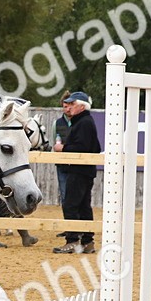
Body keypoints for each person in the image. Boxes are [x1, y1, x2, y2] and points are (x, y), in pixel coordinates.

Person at [52, 91, 100, 254]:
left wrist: (63, 148)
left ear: (81, 106)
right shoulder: (84, 121)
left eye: (72, 104)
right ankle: (87, 241)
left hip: (79, 170)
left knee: (71, 205)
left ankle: (72, 241)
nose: (69, 108)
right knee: (83, 206)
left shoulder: (83, 123)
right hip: (84, 170)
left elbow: (84, 148)